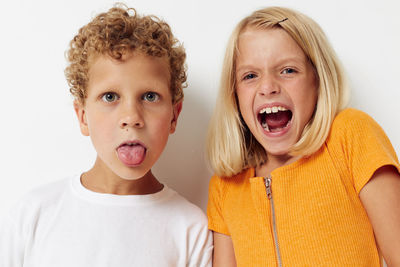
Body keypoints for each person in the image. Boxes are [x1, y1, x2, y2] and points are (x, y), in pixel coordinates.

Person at [0, 5, 212, 267]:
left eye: (149, 96)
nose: (131, 116)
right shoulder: (32, 215)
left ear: (174, 116)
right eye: (110, 97)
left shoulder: (190, 230)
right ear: (82, 116)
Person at [206, 6, 400, 267]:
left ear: (318, 80)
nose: (267, 87)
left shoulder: (352, 136)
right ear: (235, 95)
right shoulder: (225, 187)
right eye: (250, 76)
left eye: (288, 70)